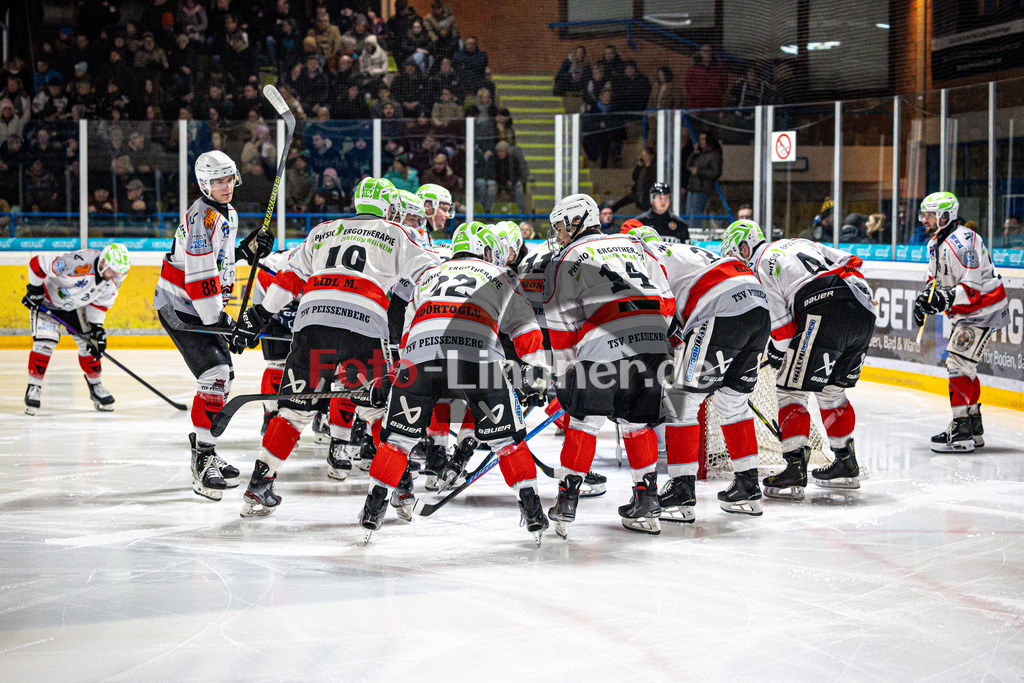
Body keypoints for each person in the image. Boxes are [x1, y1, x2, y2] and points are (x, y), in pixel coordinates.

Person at [228, 178, 439, 518]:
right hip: (364, 324)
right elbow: (430, 272)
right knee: (375, 410)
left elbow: (288, 278)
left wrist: (259, 316)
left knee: (295, 411)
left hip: (312, 322)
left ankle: (259, 485)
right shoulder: (396, 232)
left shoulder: (324, 230)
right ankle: (399, 490)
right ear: (388, 207)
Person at [359, 221, 550, 544]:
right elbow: (524, 327)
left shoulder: (428, 275)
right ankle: (531, 509)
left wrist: (401, 374)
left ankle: (374, 506)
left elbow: (406, 334)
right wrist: (536, 373)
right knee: (508, 442)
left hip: (419, 357)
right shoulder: (499, 275)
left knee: (398, 442)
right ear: (487, 252)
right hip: (476, 355)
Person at [543, 194, 673, 536]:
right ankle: (647, 501)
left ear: (576, 221)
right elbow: (667, 296)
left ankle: (567, 502)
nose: (557, 234)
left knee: (585, 422)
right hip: (653, 338)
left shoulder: (568, 257)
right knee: (637, 422)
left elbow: (560, 326)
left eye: (559, 226)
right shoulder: (635, 242)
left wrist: (565, 374)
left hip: (603, 340)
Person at [720, 219, 876, 497]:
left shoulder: (758, 267)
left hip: (824, 307)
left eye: (734, 256)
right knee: (832, 390)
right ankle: (845, 462)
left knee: (790, 391)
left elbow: (783, 331)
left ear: (744, 248)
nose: (737, 265)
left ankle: (794, 469)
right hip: (862, 303)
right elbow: (852, 260)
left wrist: (775, 357)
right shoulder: (799, 242)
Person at [627, 226, 770, 519]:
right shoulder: (684, 252)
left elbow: (662, 313)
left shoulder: (648, 258)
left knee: (681, 401)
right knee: (732, 401)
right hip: (758, 305)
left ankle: (681, 490)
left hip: (719, 306)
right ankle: (747, 484)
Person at [153, 151, 264, 502]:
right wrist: (221, 322)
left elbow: (219, 261)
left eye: (229, 179)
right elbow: (200, 276)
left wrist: (247, 251)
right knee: (216, 374)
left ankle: (206, 449)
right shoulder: (202, 217)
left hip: (198, 308)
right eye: (218, 181)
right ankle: (202, 459)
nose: (226, 186)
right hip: (181, 308)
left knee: (223, 378)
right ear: (204, 183)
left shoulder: (225, 212)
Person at [911, 192, 1009, 453]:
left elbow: (972, 290)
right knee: (965, 366)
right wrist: (924, 299)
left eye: (929, 215)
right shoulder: (935, 242)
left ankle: (961, 429)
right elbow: (935, 280)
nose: (924, 219)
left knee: (957, 362)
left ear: (945, 216)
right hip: (967, 311)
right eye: (924, 214)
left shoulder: (965, 242)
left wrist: (943, 298)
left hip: (983, 309)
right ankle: (973, 425)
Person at [22, 243, 131, 415]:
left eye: (119, 272)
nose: (116, 276)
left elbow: (99, 305)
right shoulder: (77, 263)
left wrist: (97, 329)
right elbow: (38, 263)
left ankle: (96, 387)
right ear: (103, 263)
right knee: (45, 342)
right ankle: (33, 387)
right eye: (113, 271)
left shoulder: (113, 280)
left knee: (91, 345)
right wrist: (34, 289)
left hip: (77, 307)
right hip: (47, 302)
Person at [684, 130, 723, 232]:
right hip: (692, 187)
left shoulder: (714, 154)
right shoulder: (699, 153)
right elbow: (687, 165)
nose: (701, 141)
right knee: (689, 213)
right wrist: (694, 153)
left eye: (703, 139)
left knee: (696, 213)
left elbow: (716, 172)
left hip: (702, 188)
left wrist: (699, 172)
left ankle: (695, 233)